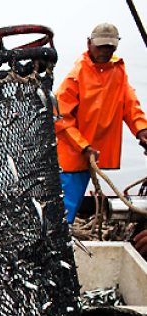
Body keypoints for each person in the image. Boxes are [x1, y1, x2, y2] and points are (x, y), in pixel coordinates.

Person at [55, 23, 147, 224]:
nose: (105, 51)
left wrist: (141, 130)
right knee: (65, 210)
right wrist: (83, 147)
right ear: (89, 44)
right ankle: (57, 246)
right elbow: (60, 118)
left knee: (73, 205)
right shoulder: (76, 76)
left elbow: (130, 104)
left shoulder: (118, 71)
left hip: (93, 154)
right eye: (101, 46)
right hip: (72, 155)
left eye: (110, 47)